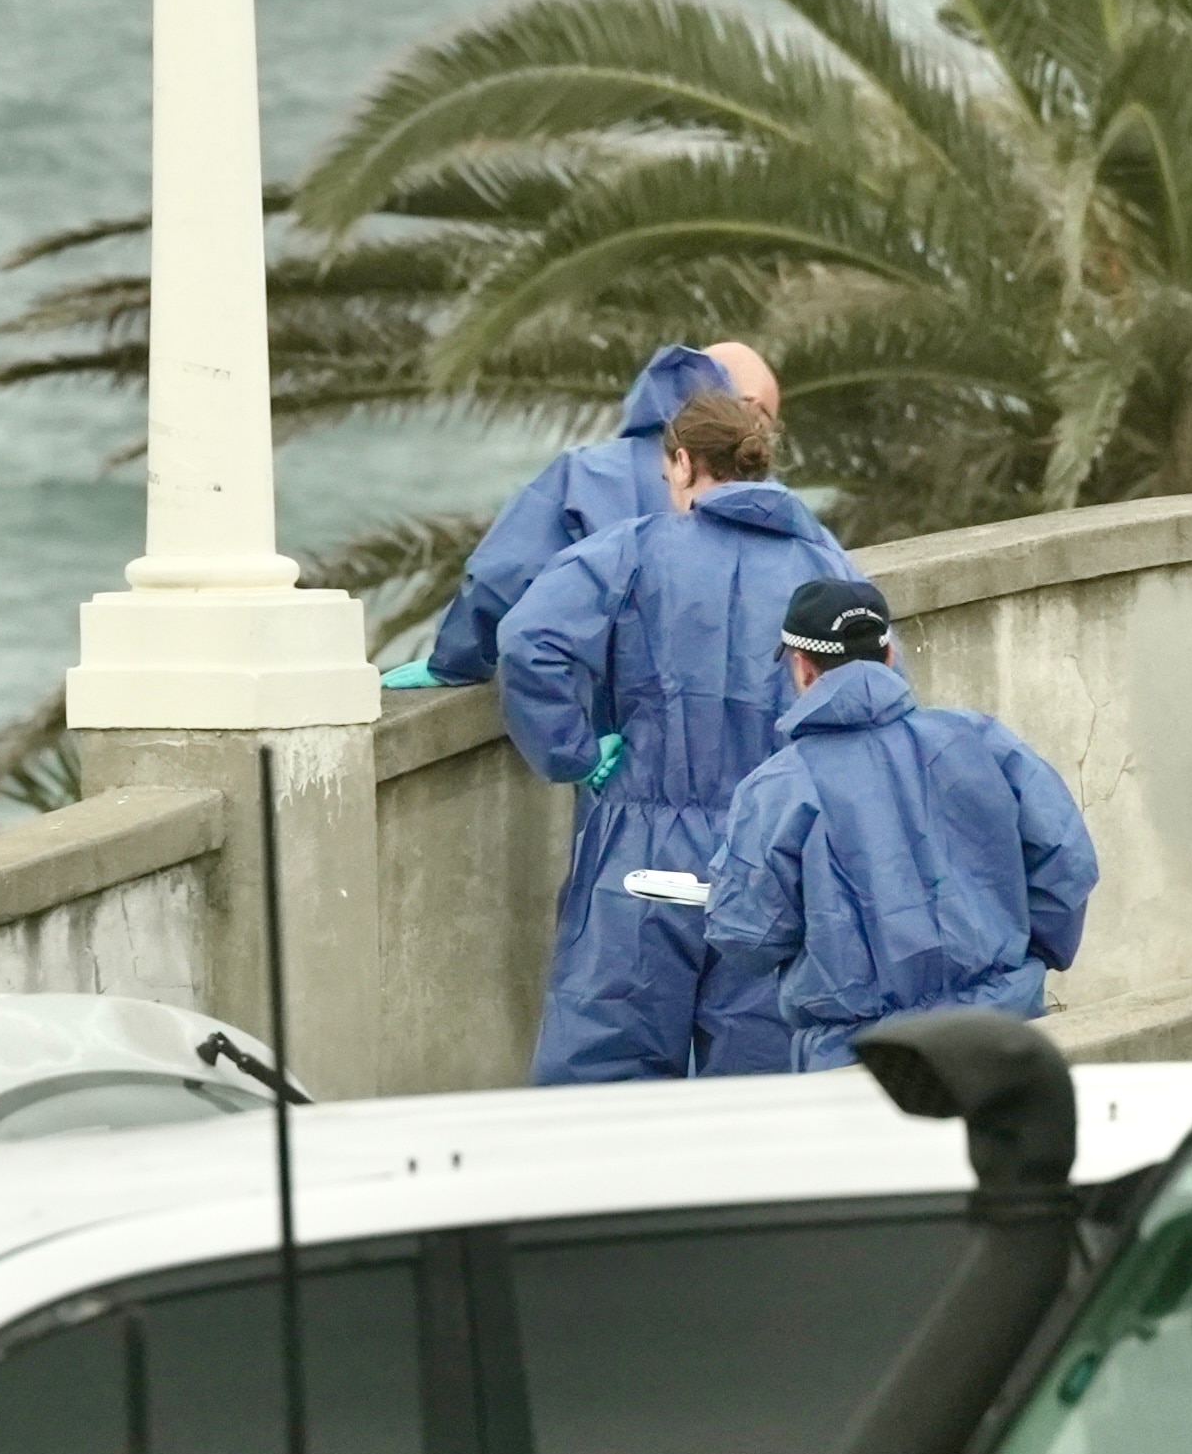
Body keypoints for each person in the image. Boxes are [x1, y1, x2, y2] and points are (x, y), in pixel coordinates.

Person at [497, 393, 858, 1083]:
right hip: (778, 852)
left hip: (643, 855)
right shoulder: (828, 569)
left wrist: (573, 753)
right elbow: (871, 694)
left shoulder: (630, 550)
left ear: (685, 462)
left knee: (606, 1075)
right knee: (764, 1080)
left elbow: (527, 640)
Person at [705, 579, 1099, 1072]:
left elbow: (746, 935)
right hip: (1002, 1035)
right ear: (889, 655)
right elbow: (1066, 860)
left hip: (860, 1061)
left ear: (803, 668)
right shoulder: (981, 740)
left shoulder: (777, 788)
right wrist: (1015, 964)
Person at [381, 341, 781, 689]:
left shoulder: (585, 474)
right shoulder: (775, 509)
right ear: (750, 411)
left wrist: (455, 662)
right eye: (767, 420)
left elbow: (504, 574)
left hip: (611, 722)